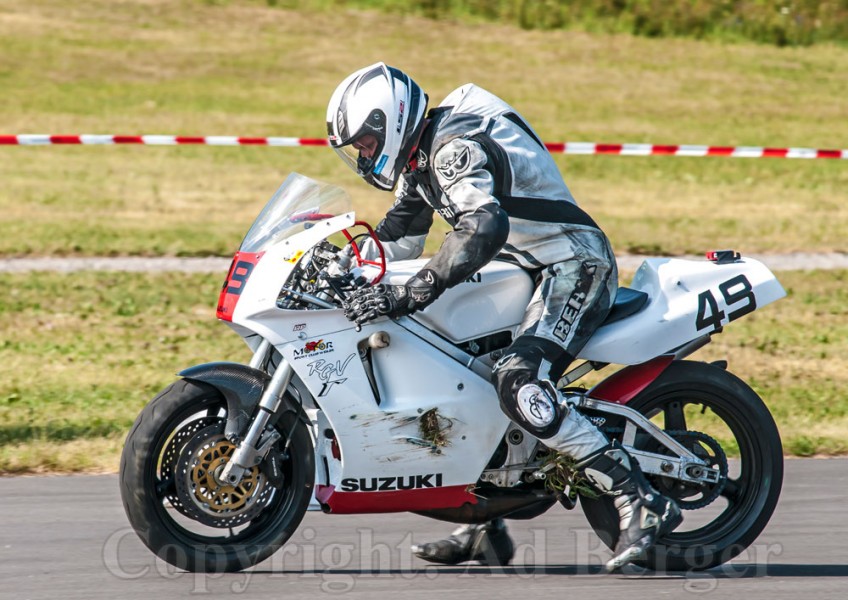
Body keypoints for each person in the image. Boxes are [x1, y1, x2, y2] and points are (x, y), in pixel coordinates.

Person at [326, 62, 682, 572]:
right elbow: (400, 237)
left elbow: (482, 227)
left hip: (570, 264)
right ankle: (485, 524)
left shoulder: (453, 150)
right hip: (522, 269)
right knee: (459, 368)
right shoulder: (420, 157)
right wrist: (338, 262)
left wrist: (415, 290)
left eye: (363, 141)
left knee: (517, 380)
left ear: (390, 122)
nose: (361, 155)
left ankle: (637, 494)